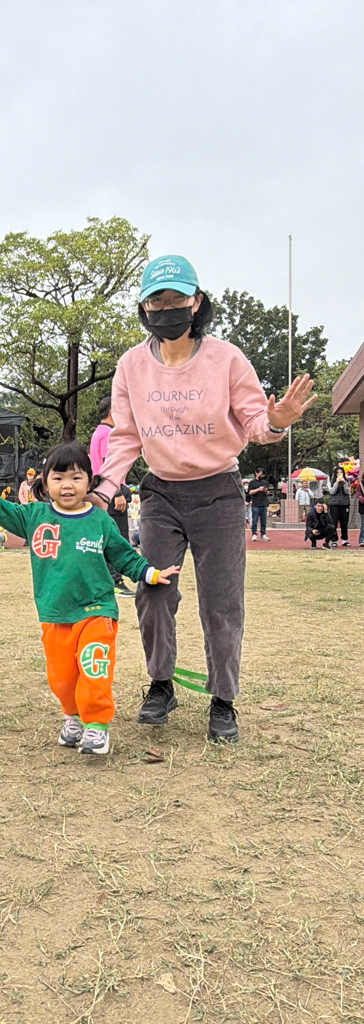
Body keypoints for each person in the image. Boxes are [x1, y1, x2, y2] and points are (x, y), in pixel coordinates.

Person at [90, 254, 316, 742]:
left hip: (219, 492)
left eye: (177, 298)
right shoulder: (131, 365)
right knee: (153, 590)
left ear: (196, 302)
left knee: (221, 601)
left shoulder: (227, 359)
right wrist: (104, 490)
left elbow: (256, 422)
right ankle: (160, 684)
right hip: (160, 493)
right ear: (144, 307)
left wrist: (277, 421)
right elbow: (126, 436)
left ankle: (223, 700)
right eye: (157, 301)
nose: (167, 308)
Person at [0, 442, 179, 755]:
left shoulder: (100, 521)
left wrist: (150, 573)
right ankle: (73, 717)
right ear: (45, 484)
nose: (67, 485)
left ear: (90, 482)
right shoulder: (35, 516)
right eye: (58, 478)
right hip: (55, 614)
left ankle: (97, 725)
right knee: (62, 678)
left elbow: (125, 556)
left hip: (97, 611)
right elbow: (2, 511)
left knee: (93, 669)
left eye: (75, 477)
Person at [89, 396, 134, 597]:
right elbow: (110, 464)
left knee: (105, 535)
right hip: (111, 490)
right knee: (117, 537)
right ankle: (115, 581)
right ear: (111, 412)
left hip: (100, 490)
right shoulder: (108, 433)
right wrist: (117, 493)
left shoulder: (98, 432)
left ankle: (106, 580)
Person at [328, 466, 351, 546]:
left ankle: (344, 540)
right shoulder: (331, 481)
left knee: (344, 523)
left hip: (344, 504)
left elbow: (347, 491)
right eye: (338, 473)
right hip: (334, 505)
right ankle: (334, 540)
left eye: (341, 473)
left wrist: (344, 482)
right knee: (333, 523)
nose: (339, 474)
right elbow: (332, 492)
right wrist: (336, 482)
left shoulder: (347, 481)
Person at [249, 468, 271, 541]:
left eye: (262, 474)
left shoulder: (265, 482)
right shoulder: (252, 482)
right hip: (255, 504)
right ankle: (254, 534)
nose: (261, 476)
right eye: (260, 474)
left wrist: (265, 491)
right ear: (256, 473)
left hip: (264, 503)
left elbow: (268, 493)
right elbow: (250, 492)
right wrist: (258, 489)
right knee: (254, 520)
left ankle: (263, 534)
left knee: (263, 521)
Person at [354, 471, 364, 547]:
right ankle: (362, 540)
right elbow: (358, 494)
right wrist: (362, 499)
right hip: (363, 507)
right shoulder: (360, 485)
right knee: (363, 524)